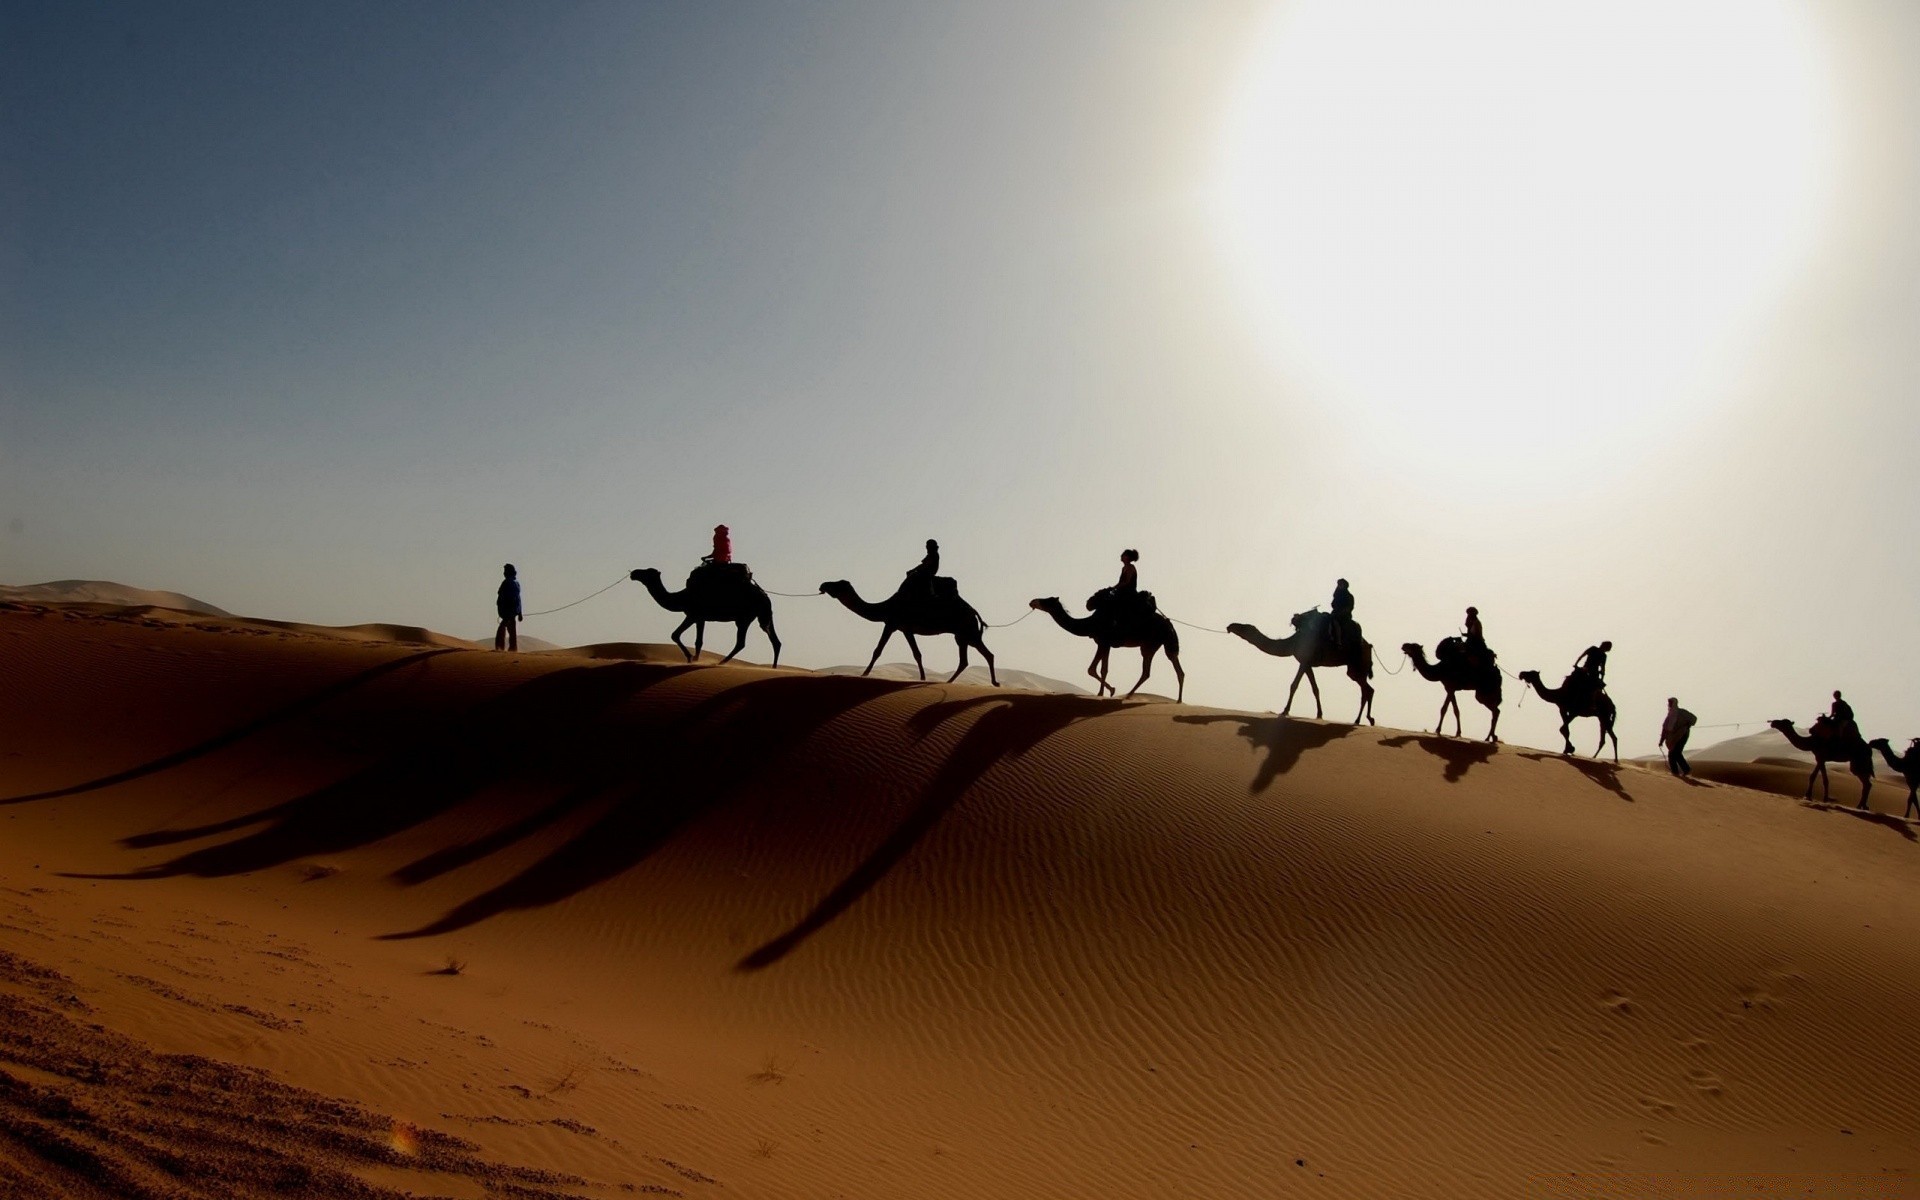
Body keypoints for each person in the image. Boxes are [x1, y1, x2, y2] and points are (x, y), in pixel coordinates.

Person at [1659, 697, 1696, 777]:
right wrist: (1661, 741)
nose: (1669, 704)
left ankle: (1684, 770)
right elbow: (1665, 729)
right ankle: (1676, 772)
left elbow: (1694, 719)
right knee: (1673, 754)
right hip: (1673, 738)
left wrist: (1688, 724)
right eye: (1669, 703)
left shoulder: (1682, 712)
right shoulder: (1669, 715)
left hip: (1682, 735)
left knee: (1675, 753)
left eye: (1670, 703)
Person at [494, 564, 522, 652]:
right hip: (513, 611)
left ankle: (500, 648)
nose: (504, 573)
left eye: (505, 571)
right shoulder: (516, 583)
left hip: (508, 611)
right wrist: (520, 612)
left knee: (502, 628)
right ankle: (513, 649)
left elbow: (506, 597)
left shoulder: (508, 583)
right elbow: (518, 599)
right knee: (512, 631)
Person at [1329, 578, 1355, 649]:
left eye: (1341, 584)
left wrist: (1341, 612)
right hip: (1335, 613)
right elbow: (1333, 604)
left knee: (1336, 622)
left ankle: (1338, 641)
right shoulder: (1337, 596)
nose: (1339, 586)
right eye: (1339, 584)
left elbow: (1350, 607)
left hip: (1344, 616)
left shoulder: (1349, 596)